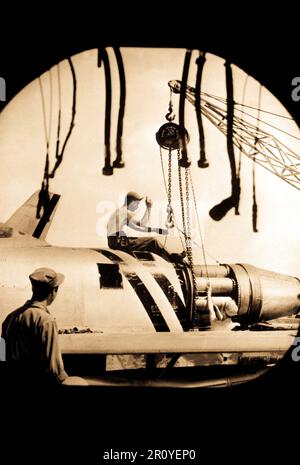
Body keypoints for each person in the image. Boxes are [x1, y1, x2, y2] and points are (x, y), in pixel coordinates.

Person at [1, 267, 87, 387]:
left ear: (33, 288)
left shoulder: (9, 318)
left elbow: (1, 355)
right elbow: (54, 370)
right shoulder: (46, 321)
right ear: (54, 291)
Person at [107, 191, 186, 261]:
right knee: (152, 241)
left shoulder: (120, 212)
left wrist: (149, 209)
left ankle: (167, 257)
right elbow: (140, 226)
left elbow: (139, 224)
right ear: (132, 202)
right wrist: (155, 229)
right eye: (137, 204)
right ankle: (171, 258)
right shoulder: (125, 212)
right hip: (119, 242)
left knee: (145, 241)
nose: (137, 206)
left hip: (114, 241)